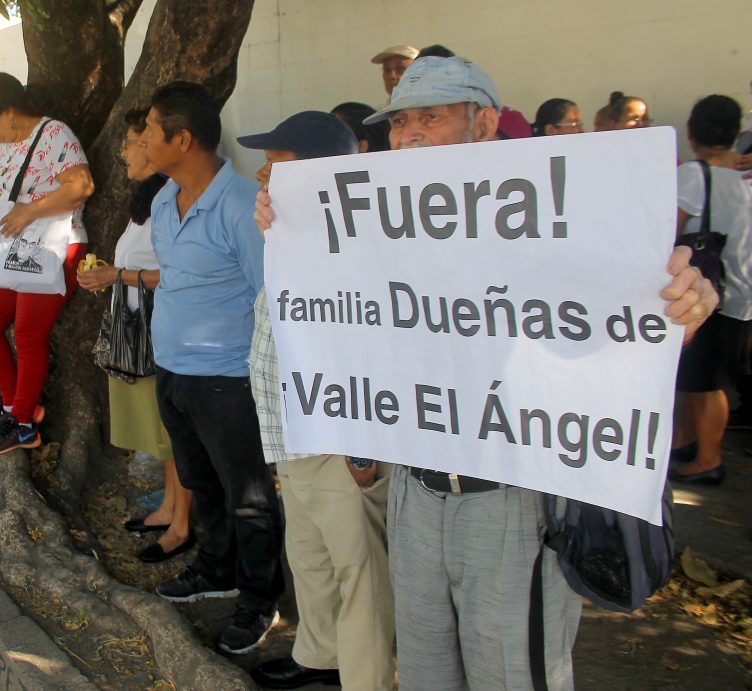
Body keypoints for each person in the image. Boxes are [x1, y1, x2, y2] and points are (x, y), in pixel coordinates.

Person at [254, 55, 718, 691]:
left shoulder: (551, 215)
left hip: (510, 500)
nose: (410, 135)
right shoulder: (378, 223)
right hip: (415, 491)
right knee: (426, 672)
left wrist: (682, 308)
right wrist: (292, 227)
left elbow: (619, 313)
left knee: (510, 673)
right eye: (400, 122)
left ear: (485, 124)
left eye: (432, 118)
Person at [238, 111, 395, 690]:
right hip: (292, 434)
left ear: (318, 173)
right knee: (310, 557)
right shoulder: (291, 232)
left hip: (338, 441)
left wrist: (362, 451)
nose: (262, 174)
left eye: (276, 164)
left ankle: (366, 680)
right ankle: (322, 660)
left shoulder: (362, 243)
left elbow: (370, 350)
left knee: (360, 573)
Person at [139, 81, 283, 655]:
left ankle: (259, 598)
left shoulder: (241, 206)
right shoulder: (162, 200)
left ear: (182, 139)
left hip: (228, 378)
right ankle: (217, 568)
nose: (143, 140)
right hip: (172, 370)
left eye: (151, 130)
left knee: (249, 495)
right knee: (202, 482)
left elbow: (270, 296)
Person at [77, 108, 193, 564]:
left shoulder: (175, 199)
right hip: (140, 327)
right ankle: (169, 508)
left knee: (173, 430)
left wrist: (116, 275)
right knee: (161, 429)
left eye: (132, 142)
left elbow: (180, 274)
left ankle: (183, 525)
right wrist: (109, 275)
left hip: (163, 330)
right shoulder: (151, 199)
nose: (125, 152)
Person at [0, 72, 93, 455]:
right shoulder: (5, 144)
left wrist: (28, 212)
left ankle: (22, 425)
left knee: (28, 334)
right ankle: (14, 405)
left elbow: (81, 186)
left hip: (57, 247)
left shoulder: (54, 135)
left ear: (9, 111)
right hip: (15, 249)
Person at [670, 94, 752, 486]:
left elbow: (671, 229)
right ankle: (687, 441)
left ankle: (708, 460)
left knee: (706, 382)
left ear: (692, 131)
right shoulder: (745, 172)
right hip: (740, 290)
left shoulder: (694, 174)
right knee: (700, 376)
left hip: (706, 290)